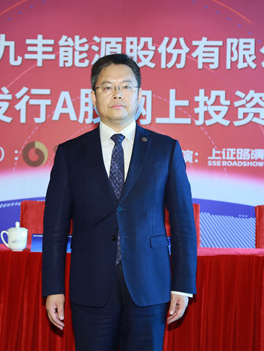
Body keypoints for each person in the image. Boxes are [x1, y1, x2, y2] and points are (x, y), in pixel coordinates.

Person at [42, 53, 197, 351]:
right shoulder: (70, 153)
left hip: (149, 286)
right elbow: (55, 228)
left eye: (126, 86)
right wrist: (53, 288)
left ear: (139, 96)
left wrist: (182, 285)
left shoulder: (165, 150)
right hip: (90, 285)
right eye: (107, 87)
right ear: (93, 97)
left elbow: (183, 224)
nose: (117, 94)